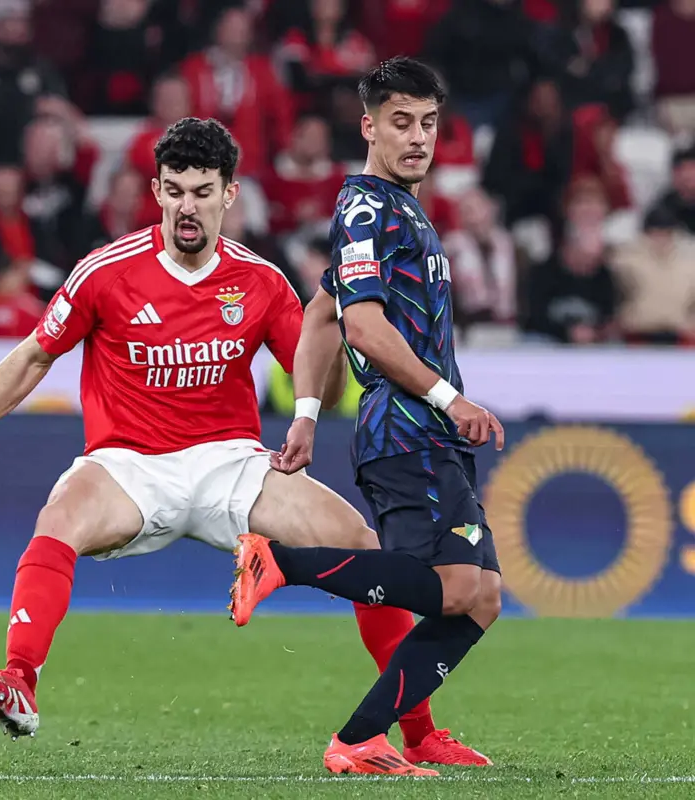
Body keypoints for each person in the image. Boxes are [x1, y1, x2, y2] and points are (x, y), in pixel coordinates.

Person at [0, 116, 488, 770]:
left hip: (230, 463)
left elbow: (320, 369)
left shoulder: (259, 281)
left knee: (356, 539)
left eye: (202, 191)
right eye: (174, 190)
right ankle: (19, 680)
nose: (187, 205)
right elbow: (34, 356)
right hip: (128, 465)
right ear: (156, 191)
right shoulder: (105, 272)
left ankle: (418, 731)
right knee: (58, 517)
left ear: (229, 195)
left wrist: (341, 318)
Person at [229, 57, 504, 777]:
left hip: (426, 431)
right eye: (401, 122)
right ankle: (279, 563)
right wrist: (451, 398)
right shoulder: (366, 209)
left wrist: (308, 416)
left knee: (482, 598)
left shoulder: (398, 211)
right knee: (449, 588)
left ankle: (411, 738)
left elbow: (321, 313)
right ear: (369, 126)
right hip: (408, 428)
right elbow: (363, 329)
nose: (418, 138)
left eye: (429, 123)